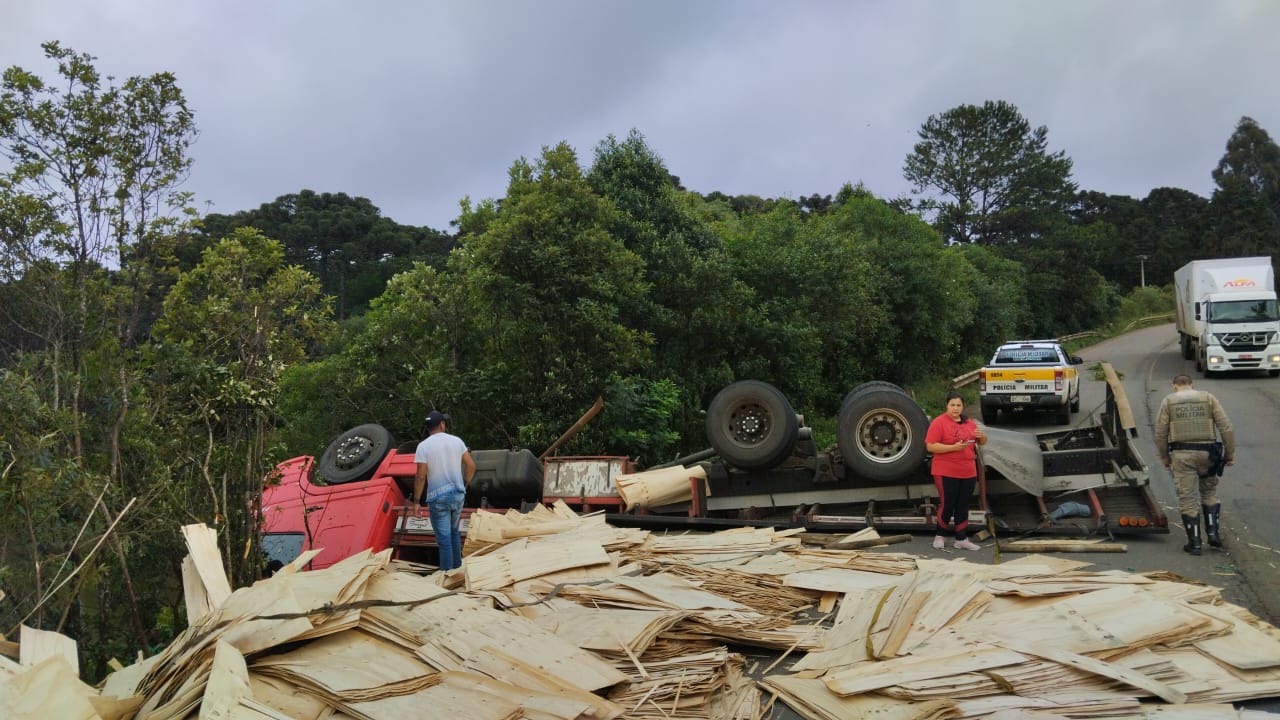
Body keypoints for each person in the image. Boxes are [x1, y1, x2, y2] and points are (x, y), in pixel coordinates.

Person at [1154, 374, 1235, 555]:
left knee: (1187, 498)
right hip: (1208, 454)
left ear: (1174, 386)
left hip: (1182, 455)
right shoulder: (1208, 398)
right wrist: (1229, 454)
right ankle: (1213, 534)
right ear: (1191, 384)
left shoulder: (1168, 401)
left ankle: (1195, 542)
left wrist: (1165, 458)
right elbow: (1226, 427)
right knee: (1209, 492)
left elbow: (1160, 433)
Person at [410, 410, 476, 571]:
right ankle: (457, 572)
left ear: (428, 428)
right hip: (458, 494)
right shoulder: (456, 441)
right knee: (454, 532)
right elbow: (471, 466)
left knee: (444, 539)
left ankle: (447, 576)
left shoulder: (423, 447)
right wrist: (465, 484)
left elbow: (420, 476)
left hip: (438, 498)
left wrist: (417, 502)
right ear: (442, 424)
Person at [925, 391, 987, 551]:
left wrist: (982, 436)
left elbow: (982, 442)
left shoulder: (970, 423)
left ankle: (961, 538)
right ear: (947, 405)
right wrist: (953, 447)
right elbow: (930, 446)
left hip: (968, 470)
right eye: (952, 405)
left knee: (963, 505)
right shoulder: (939, 422)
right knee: (947, 504)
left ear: (963, 406)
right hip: (946, 470)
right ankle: (940, 535)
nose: (955, 408)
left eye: (958, 405)